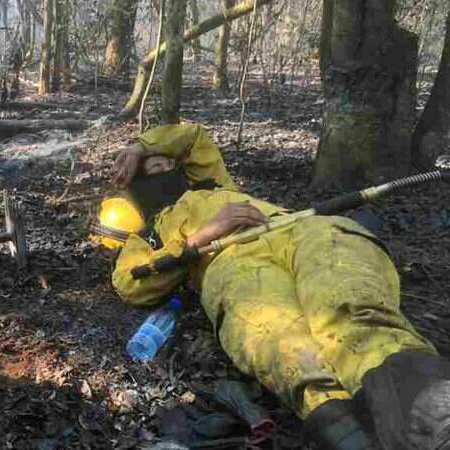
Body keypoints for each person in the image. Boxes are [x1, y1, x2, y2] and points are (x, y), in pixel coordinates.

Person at [99, 122, 450, 450]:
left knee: (349, 299)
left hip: (298, 230)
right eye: (151, 172)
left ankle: (429, 408)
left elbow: (192, 138)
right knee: (282, 343)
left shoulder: (213, 184)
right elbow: (130, 283)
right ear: (137, 189)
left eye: (166, 166)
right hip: (229, 265)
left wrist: (138, 147)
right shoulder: (149, 237)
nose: (162, 173)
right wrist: (198, 240)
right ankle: (347, 427)